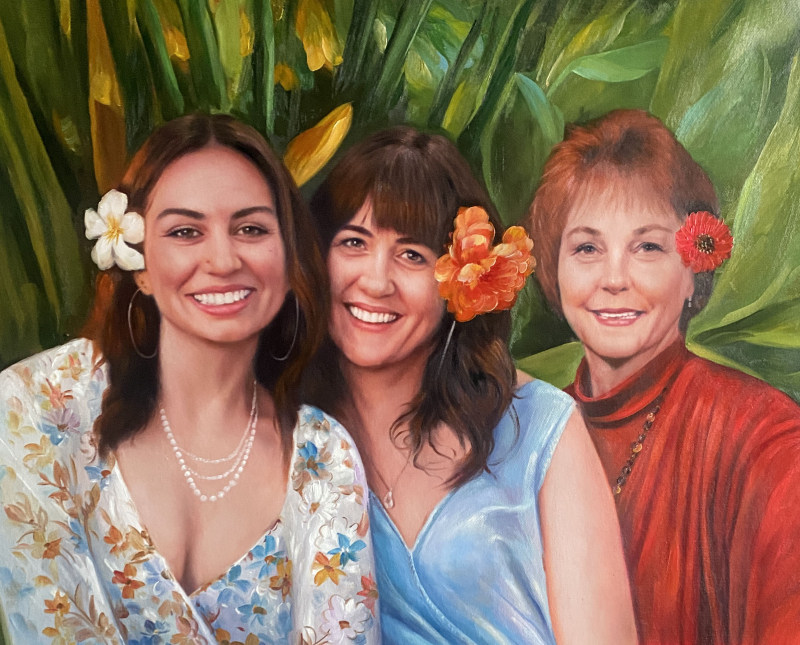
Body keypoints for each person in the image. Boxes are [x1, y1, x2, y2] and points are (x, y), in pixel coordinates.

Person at [0, 114, 379, 644]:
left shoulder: (322, 456)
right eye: (184, 231)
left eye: (251, 229)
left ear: (288, 254)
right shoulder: (38, 404)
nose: (222, 260)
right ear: (140, 265)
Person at [304, 126, 637, 645]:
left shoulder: (539, 428)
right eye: (353, 242)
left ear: (461, 280)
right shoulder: (289, 437)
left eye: (412, 254)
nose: (375, 280)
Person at [527, 108, 800, 644]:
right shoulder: (526, 433)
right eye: (586, 248)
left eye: (647, 247)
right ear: (552, 271)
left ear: (693, 267)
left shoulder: (764, 436)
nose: (613, 279)